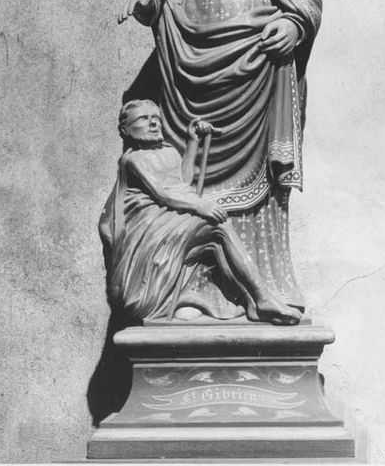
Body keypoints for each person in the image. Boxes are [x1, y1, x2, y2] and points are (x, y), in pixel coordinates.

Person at [117, 0, 322, 320]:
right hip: (193, 60)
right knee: (193, 175)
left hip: (256, 59)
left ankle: (267, 285)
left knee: (259, 182)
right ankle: (193, 289)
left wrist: (294, 23)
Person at [99, 100, 301, 325]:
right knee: (218, 228)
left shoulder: (169, 151)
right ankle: (262, 298)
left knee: (217, 241)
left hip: (168, 223)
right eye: (143, 119)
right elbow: (164, 194)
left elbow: (182, 182)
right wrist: (200, 206)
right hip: (150, 231)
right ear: (125, 130)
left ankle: (253, 301)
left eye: (155, 118)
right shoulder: (134, 160)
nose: (153, 123)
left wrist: (193, 142)